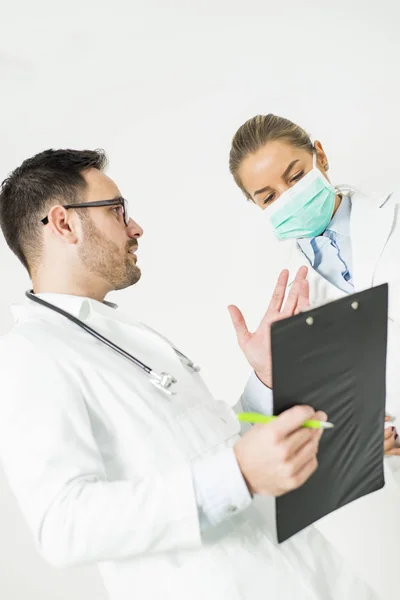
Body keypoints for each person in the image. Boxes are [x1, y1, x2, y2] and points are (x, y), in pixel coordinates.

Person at [0, 150, 377, 600]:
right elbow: (63, 525)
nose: (136, 228)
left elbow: (215, 450)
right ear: (64, 224)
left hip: (310, 578)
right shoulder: (33, 352)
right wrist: (236, 475)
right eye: (117, 210)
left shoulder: (123, 333)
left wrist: (264, 380)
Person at [228, 113, 400, 597]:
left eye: (296, 175)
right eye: (268, 196)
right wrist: (363, 435)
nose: (288, 197)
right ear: (256, 206)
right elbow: (320, 406)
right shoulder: (287, 291)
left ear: (319, 156)